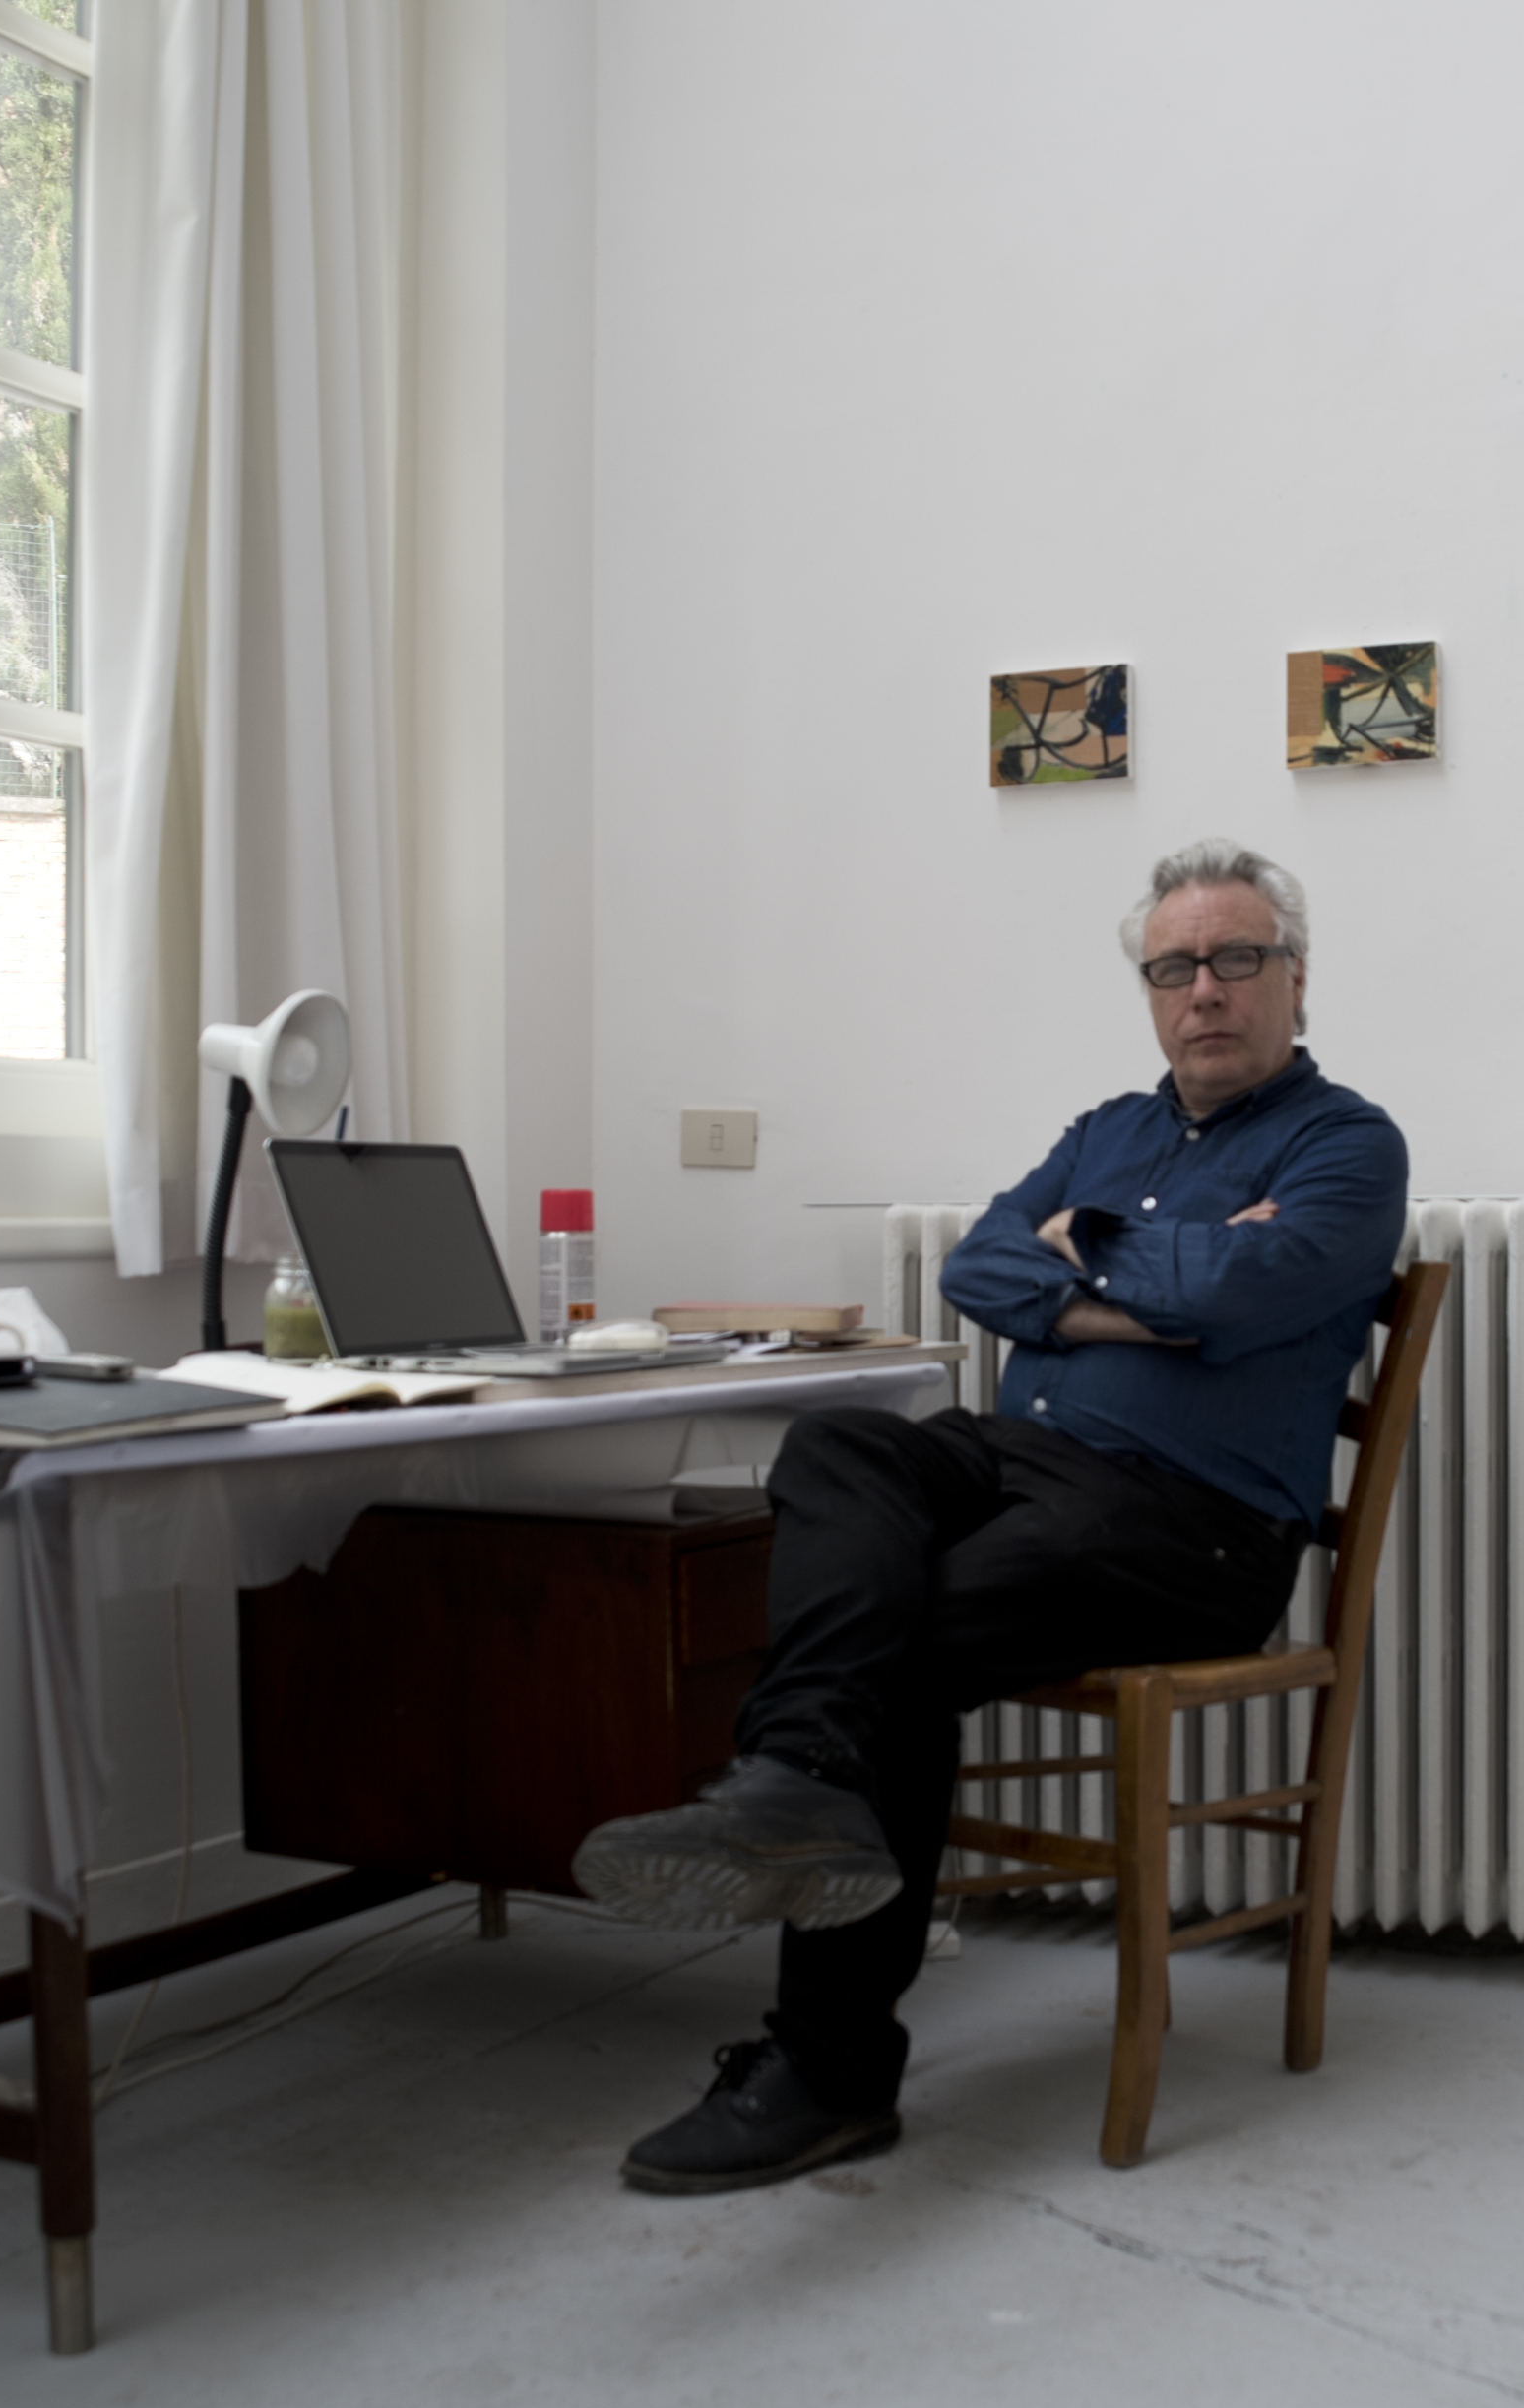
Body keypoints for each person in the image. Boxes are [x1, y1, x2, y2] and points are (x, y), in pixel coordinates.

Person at [573, 838, 1410, 2193]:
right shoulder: (1109, 1130)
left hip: (1194, 1525)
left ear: (1295, 981)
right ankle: (799, 1779)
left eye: (1237, 959)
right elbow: (978, 1262)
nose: (1206, 989)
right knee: (842, 1441)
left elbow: (1258, 1289)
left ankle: (828, 2059)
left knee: (888, 1640)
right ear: (1149, 990)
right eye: (1176, 966)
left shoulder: (1348, 1144)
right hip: (1025, 1464)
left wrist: (1093, 1254)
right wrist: (1137, 1285)